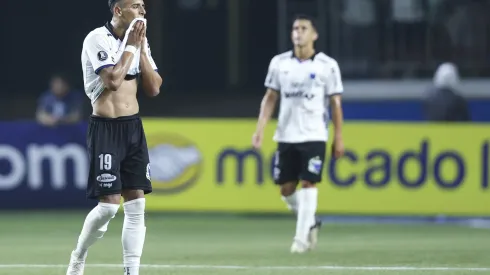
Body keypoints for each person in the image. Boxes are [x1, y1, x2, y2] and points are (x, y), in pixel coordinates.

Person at [66, 0, 162, 274]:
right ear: (118, 11)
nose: (143, 10)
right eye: (135, 5)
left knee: (137, 206)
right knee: (108, 208)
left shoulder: (140, 41)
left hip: (133, 128)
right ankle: (79, 255)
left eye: (143, 5)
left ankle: (131, 271)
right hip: (106, 128)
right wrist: (132, 45)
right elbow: (113, 81)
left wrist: (141, 48)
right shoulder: (97, 38)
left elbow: (154, 88)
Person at [252, 14, 345, 254]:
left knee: (309, 182)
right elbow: (270, 98)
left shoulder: (327, 65)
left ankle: (301, 241)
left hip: (315, 134)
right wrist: (260, 130)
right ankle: (310, 221)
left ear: (314, 35)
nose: (298, 32)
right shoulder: (279, 63)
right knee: (286, 188)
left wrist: (339, 137)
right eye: (295, 28)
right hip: (286, 135)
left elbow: (335, 104)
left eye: (304, 28)